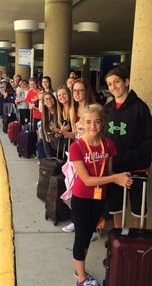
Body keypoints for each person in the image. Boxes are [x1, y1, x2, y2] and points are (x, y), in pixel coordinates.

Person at [69, 103, 133, 286]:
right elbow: (88, 180)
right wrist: (115, 178)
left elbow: (109, 171)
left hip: (99, 197)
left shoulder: (109, 144)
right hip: (81, 197)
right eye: (88, 122)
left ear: (103, 122)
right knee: (81, 237)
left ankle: (79, 267)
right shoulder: (77, 147)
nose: (93, 126)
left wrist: (119, 177)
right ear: (81, 123)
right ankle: (81, 279)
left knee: (88, 234)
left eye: (97, 122)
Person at [104, 66, 152, 228]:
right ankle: (119, 246)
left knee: (138, 211)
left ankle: (138, 246)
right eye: (109, 84)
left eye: (116, 82)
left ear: (126, 82)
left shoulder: (140, 108)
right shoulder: (108, 109)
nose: (113, 87)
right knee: (116, 208)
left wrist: (131, 155)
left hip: (136, 168)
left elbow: (148, 140)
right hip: (114, 168)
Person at [62, 78, 96, 233]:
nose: (76, 93)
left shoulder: (93, 109)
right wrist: (64, 133)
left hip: (90, 154)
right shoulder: (72, 110)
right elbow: (75, 134)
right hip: (75, 153)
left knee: (88, 191)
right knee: (72, 188)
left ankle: (92, 227)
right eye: (74, 90)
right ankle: (77, 221)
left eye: (80, 90)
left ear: (86, 91)